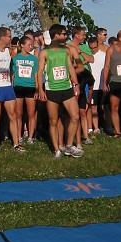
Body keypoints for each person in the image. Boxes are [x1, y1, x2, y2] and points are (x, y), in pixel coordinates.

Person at [36, 24, 83, 158]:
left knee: (75, 116)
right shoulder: (44, 52)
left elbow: (71, 68)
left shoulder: (66, 51)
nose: (65, 36)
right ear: (56, 35)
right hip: (52, 90)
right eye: (63, 34)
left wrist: (76, 84)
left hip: (67, 88)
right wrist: (40, 89)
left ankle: (68, 145)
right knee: (53, 121)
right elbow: (39, 72)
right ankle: (57, 149)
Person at [11, 33, 40, 144]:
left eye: (32, 45)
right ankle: (19, 136)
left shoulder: (34, 59)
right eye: (28, 45)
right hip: (18, 87)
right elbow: (12, 74)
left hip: (30, 87)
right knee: (18, 114)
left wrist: (37, 89)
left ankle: (30, 137)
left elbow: (36, 75)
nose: (30, 47)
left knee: (31, 113)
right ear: (22, 45)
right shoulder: (15, 58)